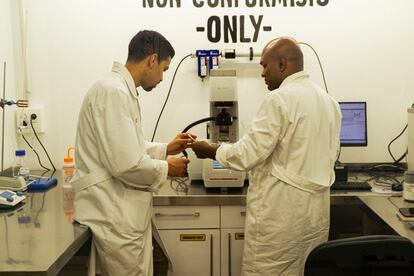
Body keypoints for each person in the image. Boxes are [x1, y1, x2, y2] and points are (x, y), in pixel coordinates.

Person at [191, 37, 342, 275]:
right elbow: (331, 154)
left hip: (280, 220)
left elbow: (247, 154)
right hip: (313, 218)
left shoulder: (279, 99)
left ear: (282, 64)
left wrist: (209, 149)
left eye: (265, 66)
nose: (262, 73)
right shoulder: (329, 102)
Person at [72, 30, 193, 276]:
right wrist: (168, 167)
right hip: (113, 213)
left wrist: (164, 148)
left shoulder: (118, 89)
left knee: (157, 264)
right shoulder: (113, 92)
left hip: (118, 211)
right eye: (164, 69)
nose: (162, 77)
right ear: (152, 59)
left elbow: (123, 146)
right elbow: (126, 164)